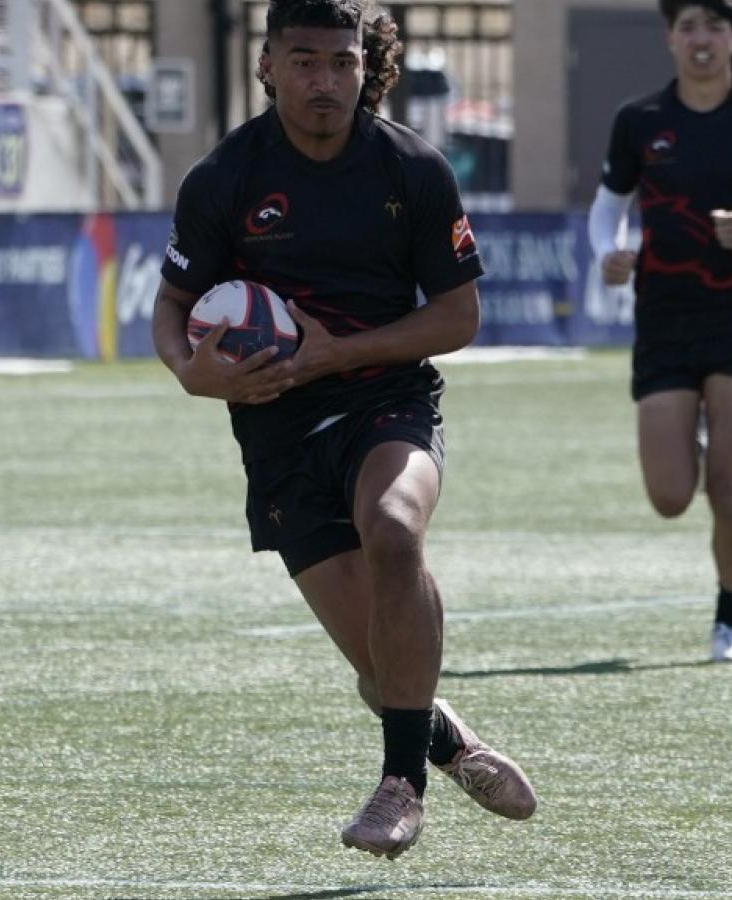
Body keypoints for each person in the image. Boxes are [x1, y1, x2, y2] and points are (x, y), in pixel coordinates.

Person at [151, 0, 535, 861]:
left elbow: (459, 315)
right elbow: (173, 304)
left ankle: (402, 786)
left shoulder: (411, 169)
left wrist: (338, 355)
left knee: (395, 530)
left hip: (385, 401)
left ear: (368, 66)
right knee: (380, 666)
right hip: (278, 438)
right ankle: (449, 742)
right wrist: (188, 369)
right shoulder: (225, 178)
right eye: (304, 61)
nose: (325, 80)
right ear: (268, 65)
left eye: (341, 62)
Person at [588, 0, 732, 663]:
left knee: (727, 486)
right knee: (669, 496)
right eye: (688, 27)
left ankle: (730, 622)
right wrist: (612, 253)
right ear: (670, 39)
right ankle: (699, 428)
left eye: (715, 26)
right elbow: (607, 211)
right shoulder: (640, 121)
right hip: (662, 322)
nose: (701, 40)